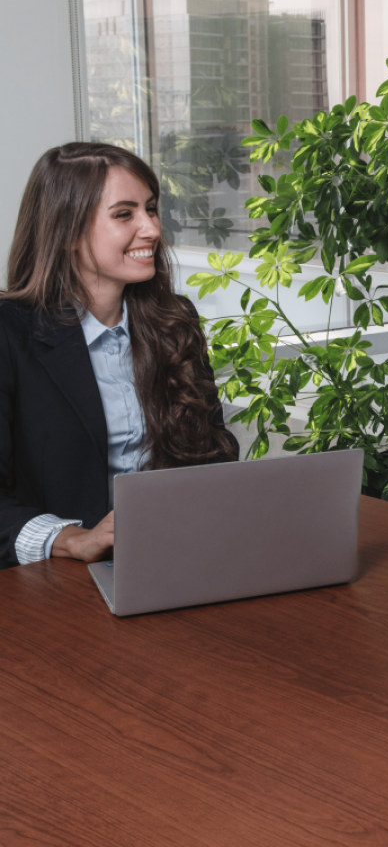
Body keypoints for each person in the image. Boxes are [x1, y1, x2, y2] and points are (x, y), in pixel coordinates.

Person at [0, 142, 237, 569]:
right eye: (124, 214)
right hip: (55, 585)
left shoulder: (174, 319)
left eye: (150, 208)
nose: (150, 229)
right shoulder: (8, 334)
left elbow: (213, 453)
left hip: (177, 557)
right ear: (68, 231)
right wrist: (71, 539)